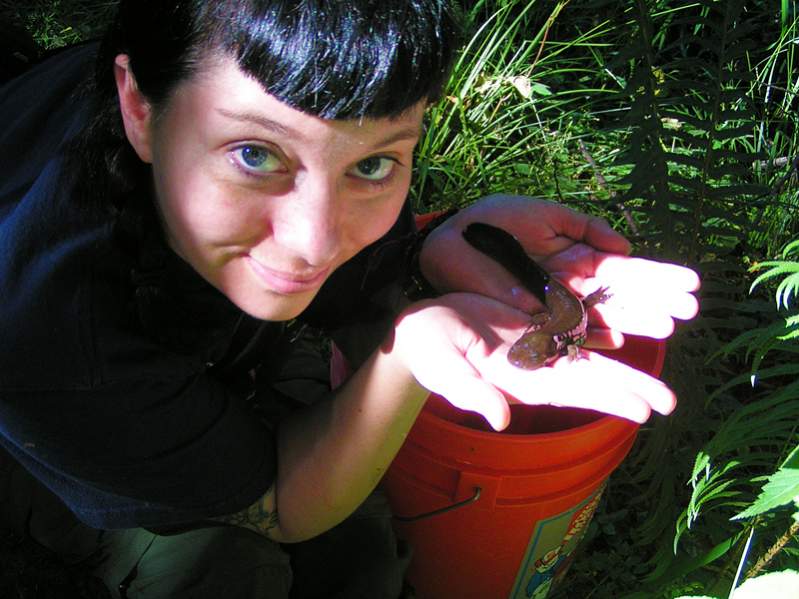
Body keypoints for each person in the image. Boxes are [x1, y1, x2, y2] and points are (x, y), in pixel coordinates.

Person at [0, 1, 699, 597]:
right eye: (255, 155)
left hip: (174, 337)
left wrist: (435, 246)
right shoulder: (58, 338)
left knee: (361, 537)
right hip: (53, 422)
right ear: (139, 107)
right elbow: (282, 505)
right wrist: (403, 360)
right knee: (237, 568)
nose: (314, 240)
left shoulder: (224, 78)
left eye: (372, 163)